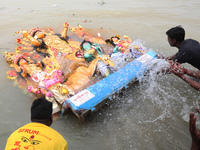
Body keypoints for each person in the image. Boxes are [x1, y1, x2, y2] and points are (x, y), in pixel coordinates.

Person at [161, 26, 200, 90]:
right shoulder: (189, 42)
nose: (167, 40)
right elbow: (179, 54)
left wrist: (152, 73)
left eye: (168, 38)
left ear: (174, 40)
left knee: (191, 81)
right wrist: (166, 58)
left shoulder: (184, 52)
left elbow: (170, 69)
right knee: (192, 78)